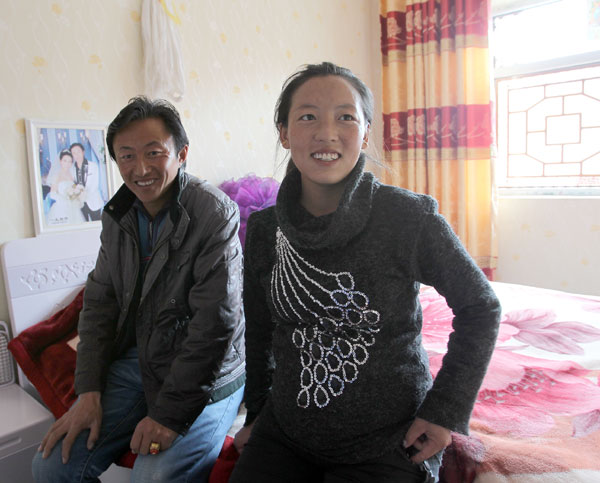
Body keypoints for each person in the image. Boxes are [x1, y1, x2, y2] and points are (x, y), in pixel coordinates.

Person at [230, 62, 501, 483]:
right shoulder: (265, 231)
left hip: (388, 439)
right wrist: (258, 413)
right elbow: (260, 331)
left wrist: (445, 412)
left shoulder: (408, 217)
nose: (327, 132)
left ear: (366, 132)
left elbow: (480, 306)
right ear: (283, 133)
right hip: (286, 431)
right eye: (307, 117)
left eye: (345, 116)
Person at [33, 96, 246, 483]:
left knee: (154, 475)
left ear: (181, 154)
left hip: (208, 374)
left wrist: (167, 416)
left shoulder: (214, 213)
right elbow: (98, 305)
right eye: (126, 156)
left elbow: (215, 325)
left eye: (154, 153)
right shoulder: (118, 216)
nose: (140, 169)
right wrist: (89, 391)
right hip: (140, 360)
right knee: (50, 465)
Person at [46, 149, 85, 225]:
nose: (67, 164)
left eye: (70, 161)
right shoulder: (57, 176)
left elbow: (74, 188)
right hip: (61, 206)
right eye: (65, 161)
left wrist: (77, 194)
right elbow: (52, 194)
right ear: (60, 161)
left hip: (73, 205)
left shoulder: (71, 175)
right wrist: (64, 199)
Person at [70, 142, 105, 221]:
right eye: (74, 153)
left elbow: (95, 185)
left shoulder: (93, 166)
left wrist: (84, 194)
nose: (77, 155)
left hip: (93, 202)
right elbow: (72, 185)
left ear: (83, 152)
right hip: (80, 204)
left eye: (78, 151)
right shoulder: (71, 169)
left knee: (97, 226)